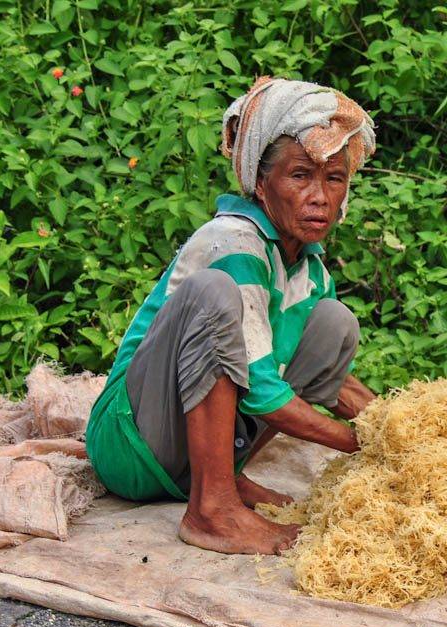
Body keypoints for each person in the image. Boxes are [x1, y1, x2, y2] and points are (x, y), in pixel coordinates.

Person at [86, 77, 378, 555]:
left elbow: (339, 385)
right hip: (134, 448)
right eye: (301, 175)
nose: (321, 196)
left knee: (334, 320)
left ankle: (223, 476)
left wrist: (402, 430)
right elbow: (264, 396)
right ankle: (211, 508)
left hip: (198, 455)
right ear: (262, 185)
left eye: (334, 178)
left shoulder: (308, 265)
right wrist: (354, 441)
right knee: (212, 292)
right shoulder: (233, 241)